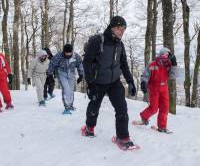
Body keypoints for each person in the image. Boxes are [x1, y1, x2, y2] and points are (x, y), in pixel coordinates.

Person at [81, 16, 137, 149]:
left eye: (123, 29)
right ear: (111, 27)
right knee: (94, 107)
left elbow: (124, 65)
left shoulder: (120, 45)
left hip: (114, 82)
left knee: (122, 108)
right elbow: (87, 62)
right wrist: (90, 83)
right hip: (98, 82)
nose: (121, 31)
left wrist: (130, 82)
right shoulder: (97, 41)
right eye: (119, 28)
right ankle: (89, 127)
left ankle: (123, 137)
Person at [133, 47, 177, 133]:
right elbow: (145, 75)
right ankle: (144, 117)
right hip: (154, 88)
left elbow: (173, 76)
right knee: (154, 108)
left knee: (165, 108)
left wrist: (174, 64)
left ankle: (162, 127)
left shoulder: (168, 66)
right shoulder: (152, 64)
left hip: (164, 88)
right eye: (164, 54)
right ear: (160, 55)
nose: (166, 56)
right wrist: (143, 83)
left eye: (168, 55)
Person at [48, 43, 84, 114]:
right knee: (66, 89)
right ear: (64, 51)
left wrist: (81, 75)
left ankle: (70, 105)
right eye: (66, 53)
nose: (67, 54)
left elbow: (80, 64)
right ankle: (66, 107)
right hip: (62, 74)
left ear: (72, 51)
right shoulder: (59, 56)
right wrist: (50, 75)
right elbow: (52, 64)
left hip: (71, 74)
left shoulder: (76, 56)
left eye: (69, 53)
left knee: (70, 90)